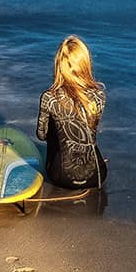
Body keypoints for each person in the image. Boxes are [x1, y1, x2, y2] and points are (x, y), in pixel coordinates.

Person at [36, 34, 108, 190]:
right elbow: (92, 129)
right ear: (85, 64)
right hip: (97, 175)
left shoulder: (49, 97)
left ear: (59, 65)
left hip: (61, 177)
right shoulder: (100, 95)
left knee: (56, 131)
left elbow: (41, 136)